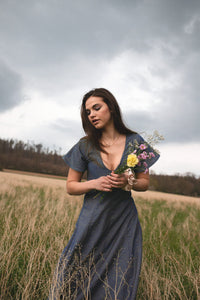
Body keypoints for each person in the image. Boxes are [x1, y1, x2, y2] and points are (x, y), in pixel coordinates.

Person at [49, 88, 159, 300]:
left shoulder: (135, 142)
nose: (91, 114)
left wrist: (130, 181)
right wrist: (94, 183)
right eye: (88, 112)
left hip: (123, 221)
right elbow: (71, 186)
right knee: (74, 271)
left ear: (111, 107)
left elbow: (144, 183)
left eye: (96, 108)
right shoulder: (85, 145)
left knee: (120, 277)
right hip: (92, 219)